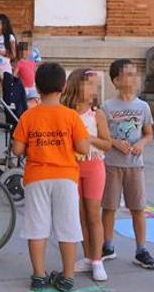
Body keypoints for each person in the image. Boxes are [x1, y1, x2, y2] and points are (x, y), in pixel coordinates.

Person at [12, 62, 90, 292]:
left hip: (36, 176)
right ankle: (67, 277)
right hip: (66, 177)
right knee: (68, 227)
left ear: (36, 86)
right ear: (64, 87)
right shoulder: (71, 116)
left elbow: (17, 149)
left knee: (37, 227)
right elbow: (84, 148)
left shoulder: (29, 116)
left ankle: (38, 275)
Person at [101, 59, 154, 270]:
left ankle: (141, 249)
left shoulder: (143, 106)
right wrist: (115, 143)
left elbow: (149, 133)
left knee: (138, 208)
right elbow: (102, 136)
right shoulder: (107, 107)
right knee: (109, 207)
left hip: (135, 165)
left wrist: (142, 143)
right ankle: (107, 245)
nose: (135, 77)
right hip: (112, 165)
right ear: (116, 80)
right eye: (129, 74)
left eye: (136, 73)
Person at [60, 69, 112, 282]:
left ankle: (98, 260)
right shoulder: (66, 112)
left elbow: (107, 143)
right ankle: (88, 256)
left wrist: (87, 138)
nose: (94, 89)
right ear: (76, 85)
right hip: (71, 167)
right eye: (89, 84)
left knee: (93, 214)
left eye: (96, 86)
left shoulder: (97, 114)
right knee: (78, 214)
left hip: (93, 166)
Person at [14, 41, 38, 107]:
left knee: (34, 103)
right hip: (24, 88)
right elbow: (14, 75)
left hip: (32, 86)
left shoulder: (32, 62)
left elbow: (35, 73)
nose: (25, 53)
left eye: (26, 50)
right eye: (23, 51)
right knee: (24, 104)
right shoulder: (19, 63)